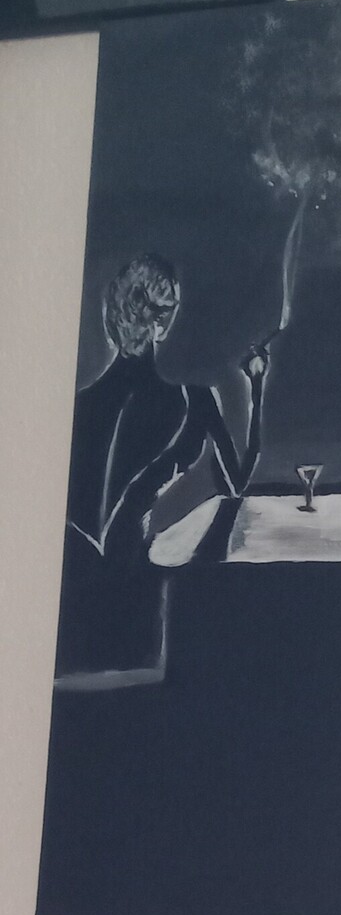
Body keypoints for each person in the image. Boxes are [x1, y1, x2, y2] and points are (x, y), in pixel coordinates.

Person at [56, 254, 269, 686]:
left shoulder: (76, 407)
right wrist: (257, 387)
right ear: (161, 322)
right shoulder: (194, 401)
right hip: (136, 613)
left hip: (70, 617)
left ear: (114, 319)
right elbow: (237, 483)